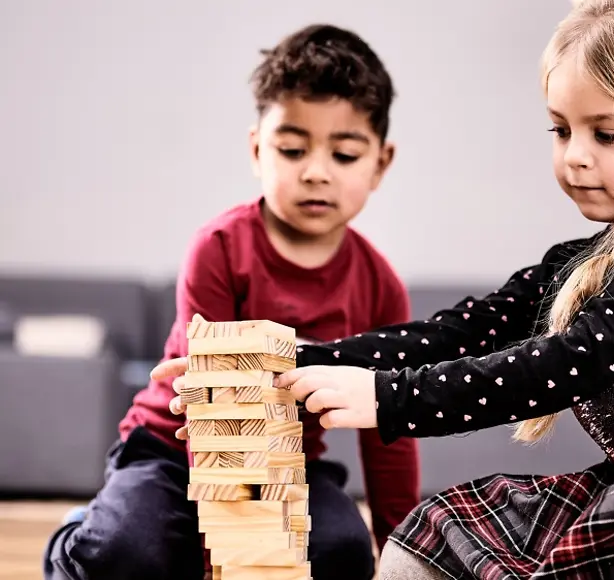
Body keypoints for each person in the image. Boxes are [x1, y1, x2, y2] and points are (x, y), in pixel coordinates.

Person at [157, 1, 614, 578]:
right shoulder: (577, 260)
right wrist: (294, 361)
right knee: (418, 548)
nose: (575, 156)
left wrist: (390, 400)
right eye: (561, 130)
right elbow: (449, 334)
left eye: (607, 133)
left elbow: (576, 359)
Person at [44, 24, 420, 580]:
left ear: (380, 163)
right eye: (292, 149)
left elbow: (389, 429)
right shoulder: (219, 250)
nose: (315, 171)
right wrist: (224, 553)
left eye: (343, 154)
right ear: (256, 149)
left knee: (341, 551)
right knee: (131, 551)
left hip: (289, 463)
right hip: (171, 452)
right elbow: (212, 412)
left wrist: (399, 551)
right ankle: (78, 538)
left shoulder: (380, 283)